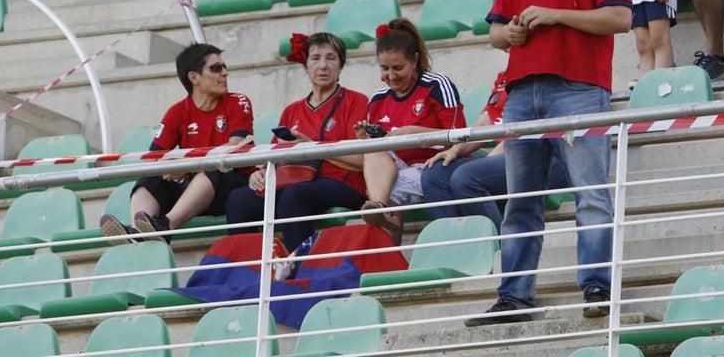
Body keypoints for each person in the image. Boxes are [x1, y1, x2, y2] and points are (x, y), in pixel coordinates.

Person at [466, 0, 631, 326]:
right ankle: (514, 296)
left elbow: (620, 18)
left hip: (579, 89)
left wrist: (556, 15)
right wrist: (512, 34)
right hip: (521, 92)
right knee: (521, 200)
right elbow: (496, 32)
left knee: (591, 194)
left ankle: (598, 287)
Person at [225, 32, 369, 254]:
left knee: (295, 195)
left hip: (344, 182)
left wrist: (311, 146)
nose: (323, 66)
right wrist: (261, 172)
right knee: (239, 198)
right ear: (305, 66)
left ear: (341, 66)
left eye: (331, 58)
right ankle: (251, 269)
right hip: (295, 180)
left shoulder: (357, 101)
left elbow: (361, 161)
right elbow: (275, 155)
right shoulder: (292, 110)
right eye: (315, 58)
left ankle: (300, 267)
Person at [100, 43, 254, 242]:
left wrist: (186, 163)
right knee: (151, 178)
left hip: (233, 186)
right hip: (194, 191)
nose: (225, 73)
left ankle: (166, 226)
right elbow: (151, 159)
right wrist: (170, 166)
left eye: (224, 67)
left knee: (213, 169)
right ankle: (139, 233)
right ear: (194, 77)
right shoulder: (177, 112)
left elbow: (236, 147)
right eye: (216, 68)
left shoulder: (238, 101)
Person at [357, 18, 466, 244]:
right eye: (384, 69)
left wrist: (412, 133)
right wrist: (365, 140)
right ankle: (379, 207)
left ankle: (384, 212)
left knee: (387, 185)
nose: (391, 76)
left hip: (435, 164)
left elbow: (458, 135)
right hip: (397, 170)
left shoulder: (436, 84)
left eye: (398, 68)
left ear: (414, 60)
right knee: (374, 150)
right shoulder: (377, 98)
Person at [420, 71, 569, 229]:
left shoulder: (538, 72)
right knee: (434, 174)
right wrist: (455, 150)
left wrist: (486, 163)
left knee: (467, 177)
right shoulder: (505, 76)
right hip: (504, 156)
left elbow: (525, 131)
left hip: (543, 156)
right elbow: (486, 123)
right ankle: (457, 247)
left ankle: (496, 248)